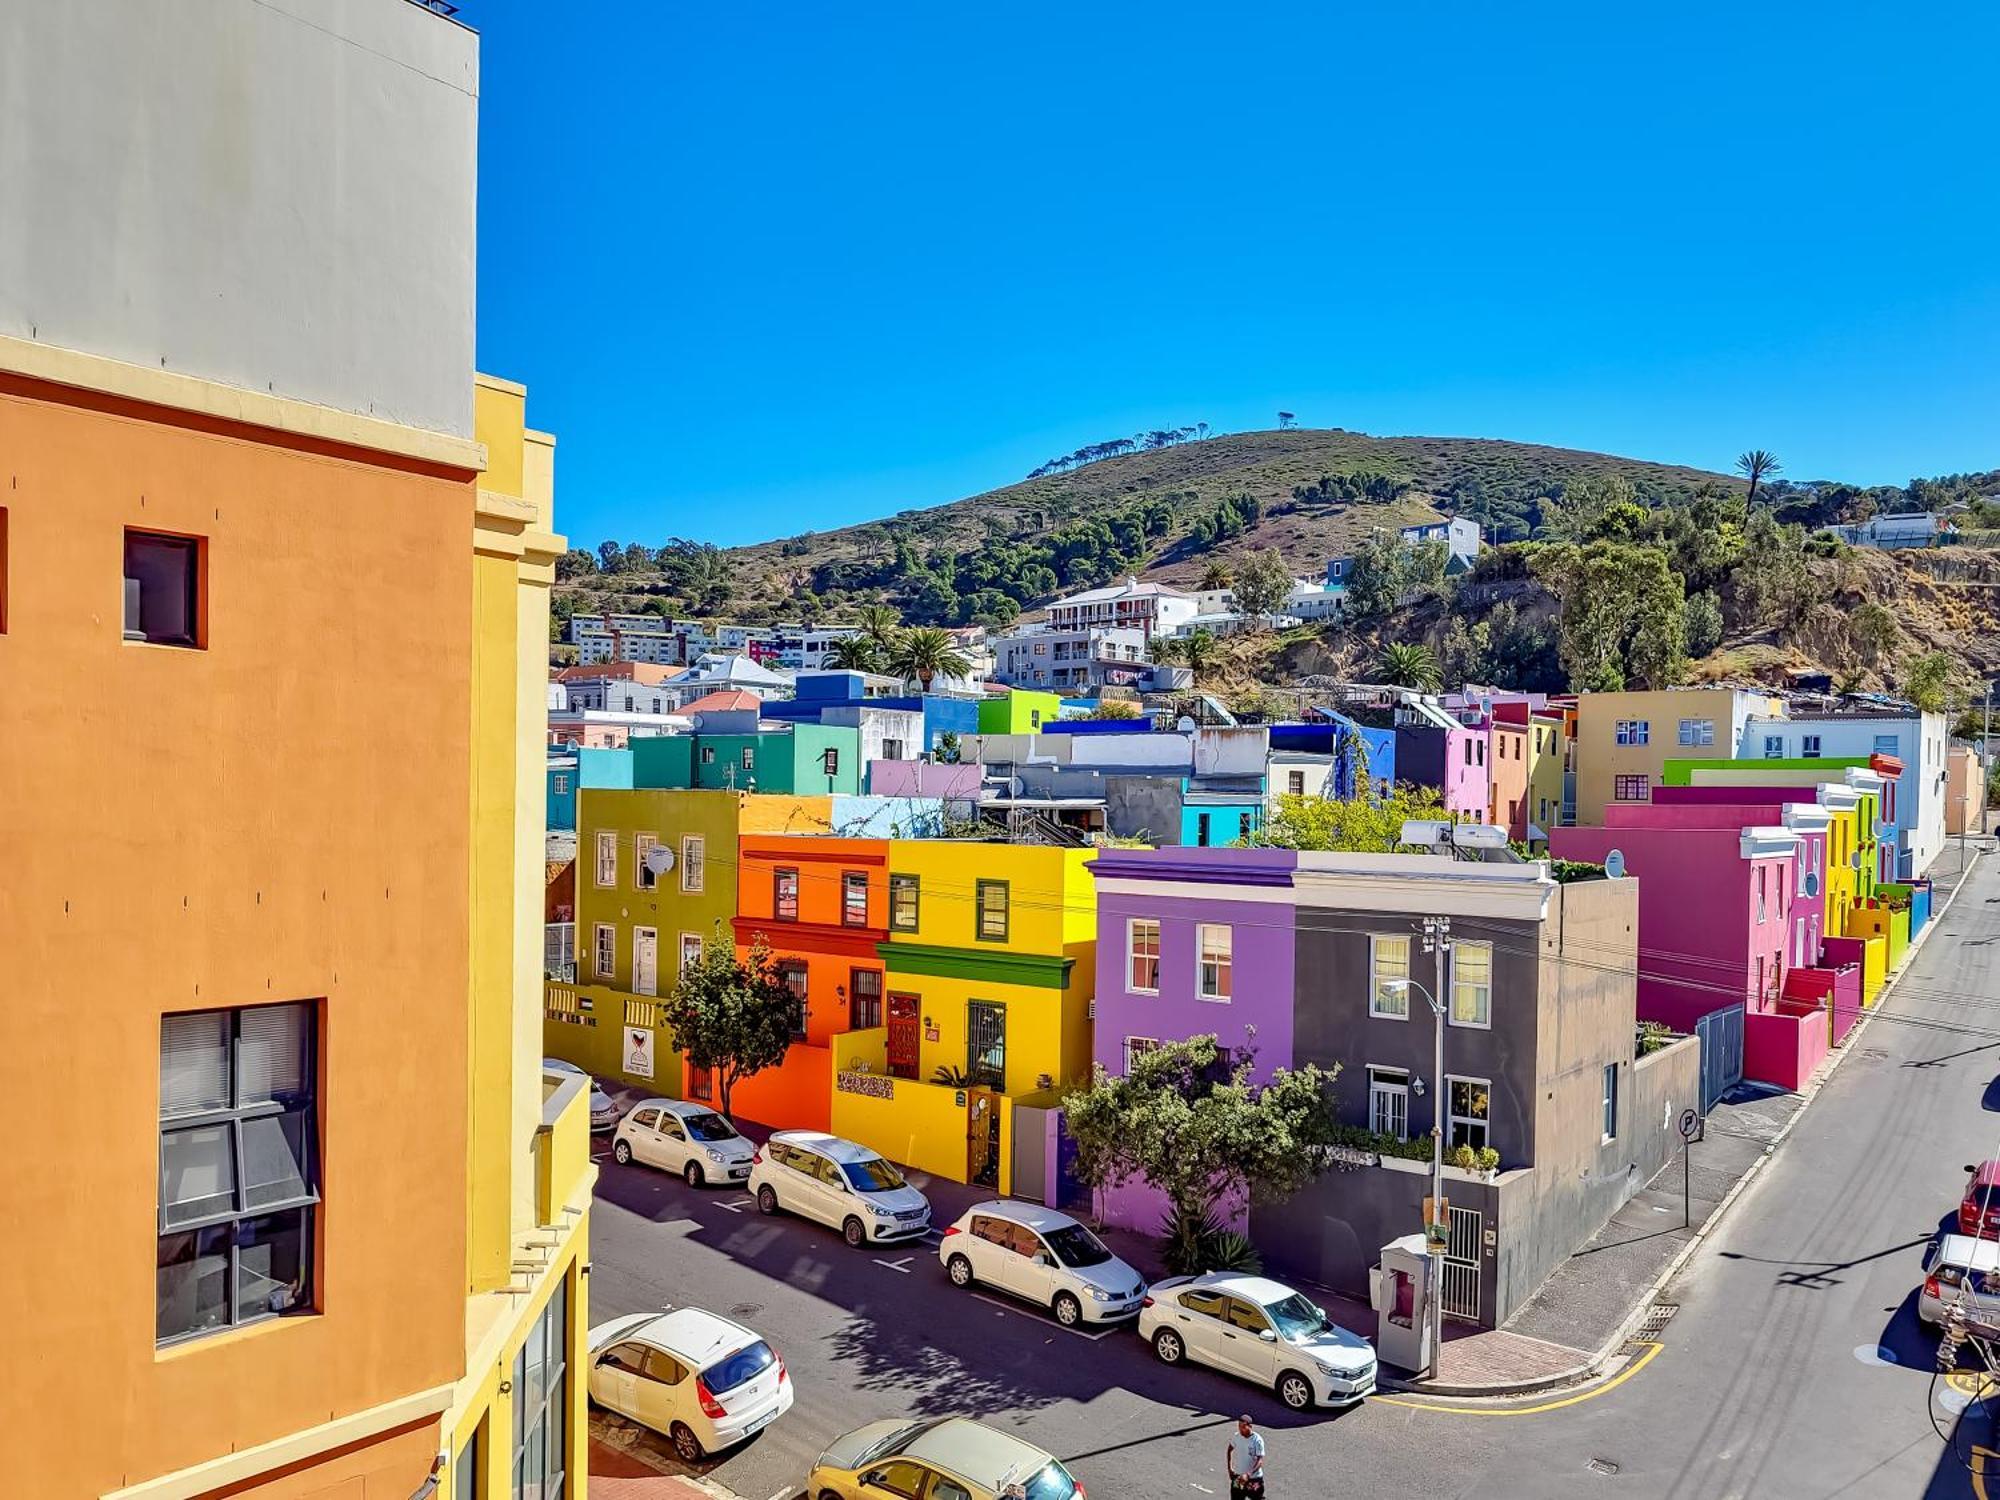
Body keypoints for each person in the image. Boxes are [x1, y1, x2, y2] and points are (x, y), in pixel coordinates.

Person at [1226, 1414, 1266, 1498]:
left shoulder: (1257, 1440)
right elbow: (1229, 1450)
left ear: (1250, 1426)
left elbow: (1260, 1460)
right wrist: (1230, 1468)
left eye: (1243, 1426)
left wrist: (1248, 1474)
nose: (1240, 1429)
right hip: (1239, 1478)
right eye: (1239, 1426)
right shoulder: (1236, 1436)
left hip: (1254, 1479)